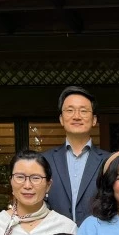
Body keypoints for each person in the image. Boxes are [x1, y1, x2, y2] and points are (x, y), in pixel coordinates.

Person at [44, 86, 111, 226]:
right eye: (70, 110)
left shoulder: (109, 161)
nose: (76, 116)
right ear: (61, 119)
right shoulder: (45, 160)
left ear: (94, 120)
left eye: (83, 111)